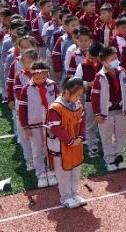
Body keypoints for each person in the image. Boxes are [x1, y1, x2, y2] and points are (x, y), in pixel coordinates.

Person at [91, 45, 126, 171]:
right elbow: (95, 97)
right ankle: (109, 159)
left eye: (116, 58)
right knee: (106, 136)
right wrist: (97, 113)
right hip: (106, 112)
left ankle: (119, 156)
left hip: (121, 110)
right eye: (112, 59)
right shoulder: (99, 77)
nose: (116, 61)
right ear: (104, 62)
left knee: (121, 134)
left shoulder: (123, 72)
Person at [16, 60, 58, 187]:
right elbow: (22, 110)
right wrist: (25, 126)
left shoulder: (52, 86)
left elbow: (58, 104)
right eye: (37, 77)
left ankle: (51, 171)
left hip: (50, 124)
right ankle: (40, 174)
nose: (41, 80)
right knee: (37, 150)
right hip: (33, 125)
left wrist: (57, 122)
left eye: (44, 77)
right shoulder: (26, 89)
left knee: (50, 148)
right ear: (32, 75)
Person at [46, 77, 87, 209]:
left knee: (75, 171)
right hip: (61, 147)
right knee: (63, 173)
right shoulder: (56, 108)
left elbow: (82, 122)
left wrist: (80, 136)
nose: (79, 97)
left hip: (76, 145)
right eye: (77, 95)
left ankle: (74, 193)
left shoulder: (78, 105)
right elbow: (55, 128)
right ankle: (65, 197)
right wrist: (70, 141)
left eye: (80, 95)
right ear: (66, 93)